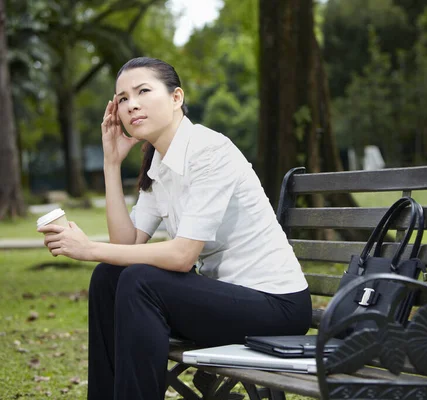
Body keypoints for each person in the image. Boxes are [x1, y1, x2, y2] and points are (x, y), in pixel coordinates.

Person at [39, 57, 312, 400]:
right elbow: (127, 244)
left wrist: (88, 249)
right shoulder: (160, 165)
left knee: (141, 281)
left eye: (143, 91)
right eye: (122, 98)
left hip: (276, 307)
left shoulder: (210, 150)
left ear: (176, 97)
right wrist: (111, 164)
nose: (131, 104)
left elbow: (183, 256)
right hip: (227, 301)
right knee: (108, 277)